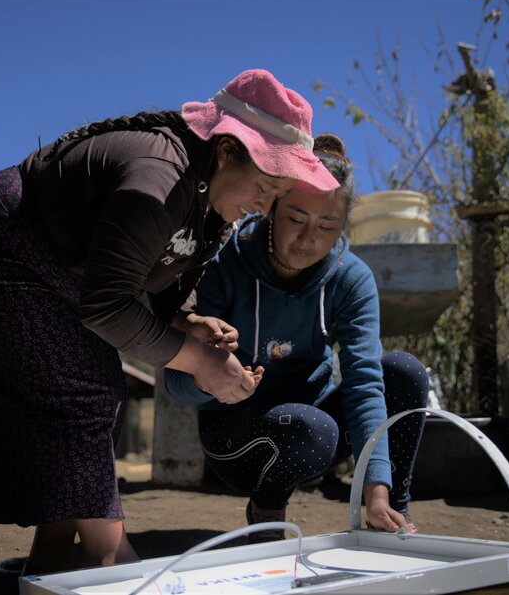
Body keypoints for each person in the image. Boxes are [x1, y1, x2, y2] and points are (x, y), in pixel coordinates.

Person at [0, 69, 338, 574]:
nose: (264, 203)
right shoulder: (160, 173)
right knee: (85, 393)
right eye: (264, 184)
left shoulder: (212, 197)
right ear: (225, 150)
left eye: (275, 192)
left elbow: (163, 268)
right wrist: (201, 364)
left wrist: (186, 321)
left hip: (62, 267)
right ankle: (113, 564)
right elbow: (106, 305)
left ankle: (50, 568)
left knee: (94, 399)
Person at [164, 133, 429, 542]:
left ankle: (393, 515)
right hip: (236, 436)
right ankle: (268, 511)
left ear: (343, 226)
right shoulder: (224, 260)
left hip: (316, 426)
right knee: (310, 428)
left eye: (327, 226)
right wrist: (207, 374)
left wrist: (376, 489)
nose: (309, 240)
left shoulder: (351, 278)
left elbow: (363, 383)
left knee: (403, 372)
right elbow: (174, 380)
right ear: (272, 207)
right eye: (295, 219)